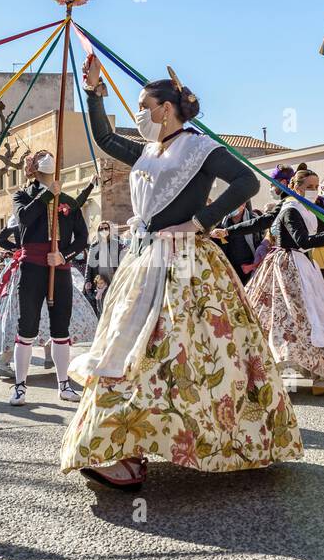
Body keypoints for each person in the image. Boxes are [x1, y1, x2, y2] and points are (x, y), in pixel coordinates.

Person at [62, 57, 303, 489]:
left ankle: (217, 437)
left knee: (190, 349)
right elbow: (102, 137)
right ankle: (118, 443)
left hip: (189, 261)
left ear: (167, 107)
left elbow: (247, 183)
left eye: (144, 104)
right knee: (131, 346)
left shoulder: (199, 147)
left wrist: (201, 221)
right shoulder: (147, 150)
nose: (139, 112)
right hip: (145, 259)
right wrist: (95, 90)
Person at [224, 168, 324, 392]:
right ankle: (268, 372)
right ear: (295, 188)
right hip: (288, 266)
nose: (315, 191)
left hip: (302, 265)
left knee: (302, 317)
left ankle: (312, 370)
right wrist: (227, 231)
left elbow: (265, 221)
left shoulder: (307, 208)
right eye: (309, 187)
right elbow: (301, 241)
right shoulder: (290, 209)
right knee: (293, 317)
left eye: (317, 186)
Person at [6, 150, 89, 404]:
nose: (47, 158)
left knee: (60, 328)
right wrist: (45, 195)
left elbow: (83, 238)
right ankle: (20, 386)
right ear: (31, 167)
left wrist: (64, 256)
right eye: (41, 156)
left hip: (59, 269)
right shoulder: (22, 196)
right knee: (27, 326)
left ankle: (64, 384)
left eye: (49, 155)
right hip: (32, 268)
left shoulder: (68, 201)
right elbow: (24, 219)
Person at [214, 200, 263, 284]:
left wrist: (254, 265)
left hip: (250, 269)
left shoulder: (254, 221)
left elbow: (260, 245)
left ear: (243, 204)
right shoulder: (221, 223)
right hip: (230, 269)